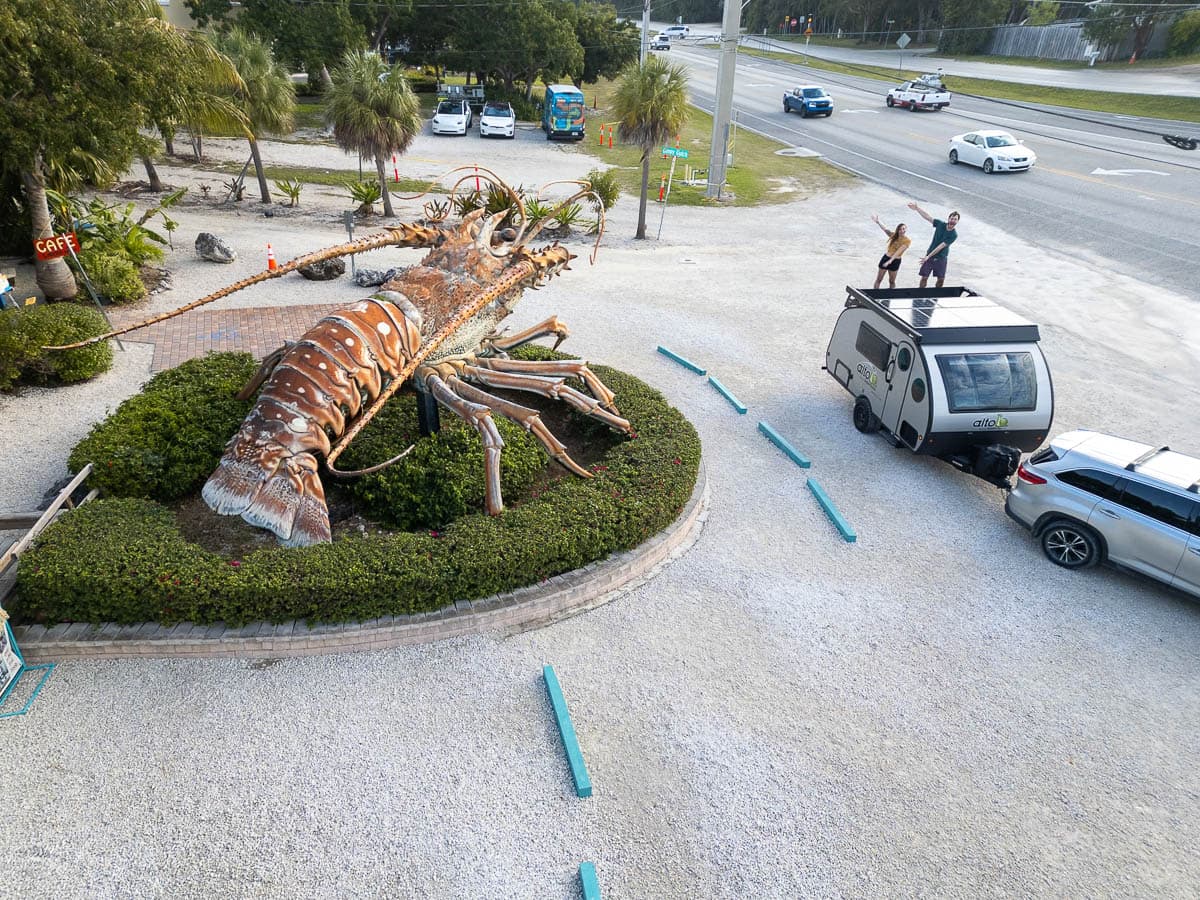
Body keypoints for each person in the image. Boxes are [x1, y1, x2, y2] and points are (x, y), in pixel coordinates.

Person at [907, 203, 960, 288]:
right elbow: (928, 217)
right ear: (949, 218)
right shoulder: (940, 224)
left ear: (957, 221)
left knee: (941, 279)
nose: (953, 220)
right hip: (930, 255)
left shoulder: (954, 234)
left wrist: (928, 256)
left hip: (941, 257)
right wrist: (917, 208)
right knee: (924, 277)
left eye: (955, 219)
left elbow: (941, 246)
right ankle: (920, 293)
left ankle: (937, 295)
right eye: (952, 218)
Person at [870, 215, 910, 289]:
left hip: (895, 261)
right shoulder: (893, 236)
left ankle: (891, 296)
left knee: (892, 281)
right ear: (897, 230)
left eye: (903, 229)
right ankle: (875, 295)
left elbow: (898, 252)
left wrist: (890, 261)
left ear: (906, 229)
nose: (902, 231)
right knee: (879, 279)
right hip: (886, 258)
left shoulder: (907, 241)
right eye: (900, 229)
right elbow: (885, 229)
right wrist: (878, 222)